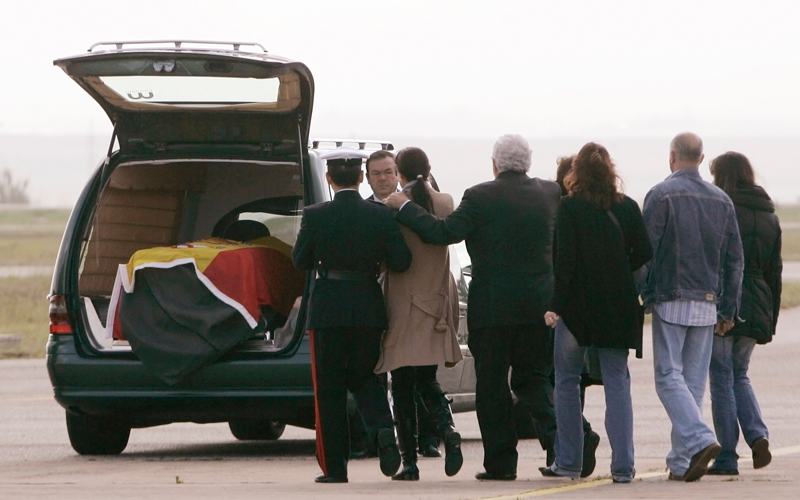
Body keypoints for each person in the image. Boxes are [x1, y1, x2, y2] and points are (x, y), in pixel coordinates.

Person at [385, 134, 560, 481]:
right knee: (533, 378)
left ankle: (500, 464)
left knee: (493, 386)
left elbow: (443, 231)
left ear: (495, 164)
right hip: (539, 305)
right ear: (527, 162)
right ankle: (566, 441)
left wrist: (404, 207)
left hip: (493, 310)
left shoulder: (480, 196)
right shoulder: (550, 193)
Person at [292, 155, 412, 483]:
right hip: (368, 306)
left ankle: (335, 469)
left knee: (329, 390)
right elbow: (402, 261)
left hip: (329, 308)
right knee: (366, 379)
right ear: (361, 177)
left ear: (329, 179)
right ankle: (383, 431)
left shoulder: (315, 215)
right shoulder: (379, 216)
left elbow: (300, 260)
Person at [541, 143, 652, 483]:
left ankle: (569, 461)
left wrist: (556, 306)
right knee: (617, 382)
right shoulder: (628, 207)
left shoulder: (569, 208)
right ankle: (623, 467)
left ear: (576, 174)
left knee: (567, 382)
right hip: (618, 307)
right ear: (610, 171)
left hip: (577, 309)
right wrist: (620, 271)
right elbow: (644, 253)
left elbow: (565, 262)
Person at [639, 132, 744, 482]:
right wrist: (728, 309)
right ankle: (682, 461)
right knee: (693, 383)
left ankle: (700, 439)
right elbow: (734, 261)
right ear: (701, 159)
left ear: (672, 157)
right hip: (708, 302)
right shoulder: (722, 200)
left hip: (670, 297)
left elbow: (645, 251)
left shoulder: (660, 194)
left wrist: (641, 293)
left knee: (669, 378)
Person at [374, 147, 464, 480]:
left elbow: (388, 257)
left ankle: (409, 463)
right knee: (427, 379)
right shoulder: (446, 202)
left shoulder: (392, 206)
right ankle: (448, 429)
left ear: (398, 172)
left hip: (402, 303)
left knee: (401, 385)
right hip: (436, 301)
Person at [706, 151, 781, 475]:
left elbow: (714, 259)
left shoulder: (721, 208)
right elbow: (774, 271)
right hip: (759, 298)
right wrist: (771, 318)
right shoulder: (770, 215)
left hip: (727, 298)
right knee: (740, 374)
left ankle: (727, 457)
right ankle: (757, 434)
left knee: (722, 378)